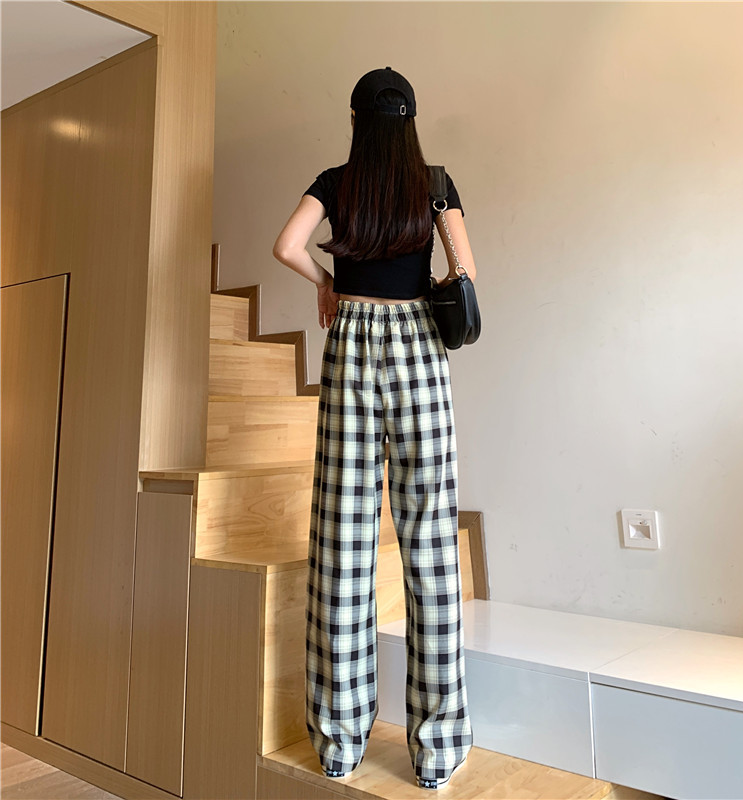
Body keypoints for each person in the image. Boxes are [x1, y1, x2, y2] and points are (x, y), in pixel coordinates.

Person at [273, 66, 477, 791]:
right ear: (410, 121)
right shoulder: (435, 183)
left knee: (343, 545)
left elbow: (287, 246)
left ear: (356, 120)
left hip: (353, 342)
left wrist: (328, 284)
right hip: (419, 347)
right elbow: (465, 270)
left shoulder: (336, 182)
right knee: (432, 548)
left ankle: (339, 742)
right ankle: (437, 750)